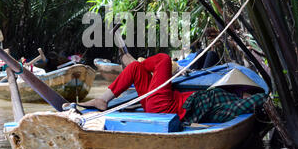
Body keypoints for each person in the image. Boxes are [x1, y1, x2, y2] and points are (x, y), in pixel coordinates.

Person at [75, 48, 267, 124]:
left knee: (164, 60)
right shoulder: (225, 96)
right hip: (160, 102)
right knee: (134, 67)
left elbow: (261, 98)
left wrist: (249, 98)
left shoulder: (229, 108)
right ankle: (102, 99)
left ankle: (142, 64)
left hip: (165, 107)